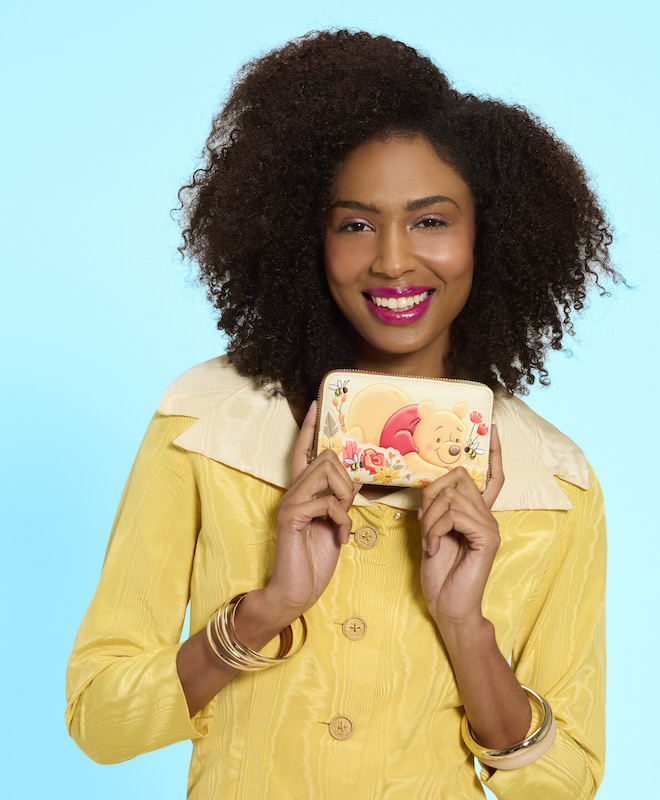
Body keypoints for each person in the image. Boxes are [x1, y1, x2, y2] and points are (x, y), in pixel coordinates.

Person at [66, 30, 617, 800]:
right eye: (356, 223)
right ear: (306, 238)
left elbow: (563, 785)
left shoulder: (554, 487)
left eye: (431, 220)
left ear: (489, 235)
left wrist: (466, 628)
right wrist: (267, 611)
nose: (392, 259)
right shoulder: (204, 428)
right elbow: (100, 719)